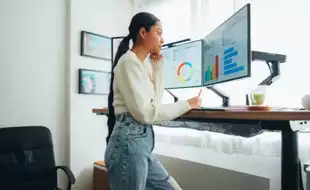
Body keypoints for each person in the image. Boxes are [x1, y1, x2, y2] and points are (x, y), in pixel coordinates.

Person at [105, 12, 202, 190]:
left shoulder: (144, 64)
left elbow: (154, 105)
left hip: (139, 143)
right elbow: (147, 114)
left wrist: (157, 67)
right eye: (159, 32)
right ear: (143, 32)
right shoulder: (128, 62)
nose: (162, 39)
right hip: (128, 143)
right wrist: (187, 104)